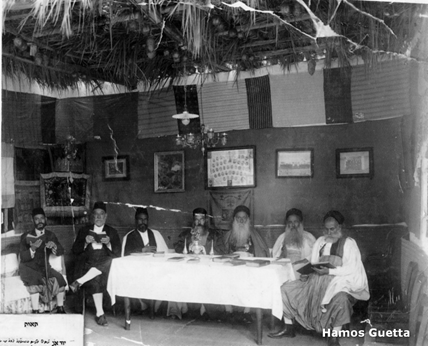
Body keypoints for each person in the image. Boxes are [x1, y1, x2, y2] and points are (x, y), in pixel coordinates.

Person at [268, 211, 370, 346]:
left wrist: (330, 270)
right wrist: (307, 271)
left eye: (332, 229)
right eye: (326, 229)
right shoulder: (320, 242)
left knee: (341, 299)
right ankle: (289, 328)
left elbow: (352, 269)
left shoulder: (348, 243)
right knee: (285, 289)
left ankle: (334, 337)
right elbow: (313, 261)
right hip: (315, 281)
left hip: (338, 282)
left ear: (340, 227)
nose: (329, 232)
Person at [169, 207, 227, 320]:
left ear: (206, 220)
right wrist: (187, 246)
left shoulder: (214, 234)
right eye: (196, 219)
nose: (199, 222)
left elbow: (223, 250)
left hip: (209, 270)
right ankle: (191, 310)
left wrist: (206, 249)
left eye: (202, 219)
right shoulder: (186, 234)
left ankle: (211, 312)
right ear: (193, 220)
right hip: (190, 270)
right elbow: (177, 247)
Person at [70, 201, 121, 326]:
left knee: (109, 262)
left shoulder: (112, 232)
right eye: (96, 214)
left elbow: (118, 254)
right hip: (87, 265)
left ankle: (79, 282)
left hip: (105, 267)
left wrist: (109, 243)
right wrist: (85, 242)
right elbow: (75, 250)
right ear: (92, 216)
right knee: (96, 275)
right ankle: (100, 314)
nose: (98, 217)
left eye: (101, 214)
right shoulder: (84, 230)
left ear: (106, 216)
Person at [122, 207, 169, 330]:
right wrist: (142, 250)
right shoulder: (129, 236)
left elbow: (165, 252)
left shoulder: (155, 234)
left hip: (154, 270)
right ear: (135, 220)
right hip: (136, 272)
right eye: (140, 220)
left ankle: (155, 309)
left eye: (145, 220)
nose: (143, 222)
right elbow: (125, 256)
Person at [222, 205, 270, 324]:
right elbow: (222, 252)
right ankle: (229, 311)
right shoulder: (228, 235)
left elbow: (262, 251)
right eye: (238, 218)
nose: (241, 221)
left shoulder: (254, 234)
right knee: (224, 279)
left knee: (252, 281)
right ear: (234, 219)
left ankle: (246, 312)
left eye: (244, 218)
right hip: (232, 268)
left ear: (248, 219)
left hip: (250, 267)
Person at [19, 207, 67, 313]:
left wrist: (54, 246)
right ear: (33, 220)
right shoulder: (25, 236)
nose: (40, 221)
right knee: (35, 281)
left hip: (44, 266)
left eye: (42, 218)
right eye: (37, 219)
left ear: (45, 219)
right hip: (28, 267)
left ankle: (60, 308)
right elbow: (23, 257)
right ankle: (35, 311)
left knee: (60, 279)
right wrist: (32, 249)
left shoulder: (50, 235)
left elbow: (61, 250)